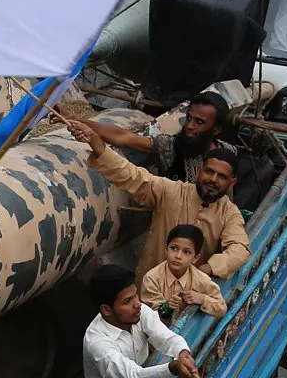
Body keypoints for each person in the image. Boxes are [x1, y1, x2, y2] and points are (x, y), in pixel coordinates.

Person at [68, 120, 250, 281]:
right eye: (209, 172)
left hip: (186, 299)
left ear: (232, 182)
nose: (213, 179)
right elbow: (131, 175)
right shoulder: (171, 191)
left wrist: (207, 269)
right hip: (147, 290)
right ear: (199, 171)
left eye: (221, 176)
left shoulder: (229, 214)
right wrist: (97, 144)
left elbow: (239, 250)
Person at [83, 265, 198, 378]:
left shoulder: (139, 312)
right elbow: (134, 376)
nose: (137, 304)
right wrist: (173, 368)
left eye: (135, 295)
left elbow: (167, 338)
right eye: (127, 301)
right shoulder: (97, 344)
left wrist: (182, 353)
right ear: (106, 309)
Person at [80, 91, 234, 183]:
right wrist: (81, 122)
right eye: (189, 118)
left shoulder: (229, 151)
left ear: (216, 129)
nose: (189, 126)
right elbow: (123, 137)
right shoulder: (169, 147)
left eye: (199, 122)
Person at [140, 224, 228, 321]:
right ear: (166, 249)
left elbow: (222, 308)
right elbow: (148, 314)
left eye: (186, 252)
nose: (178, 256)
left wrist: (202, 299)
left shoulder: (201, 280)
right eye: (174, 248)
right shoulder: (152, 278)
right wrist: (166, 307)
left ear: (195, 258)